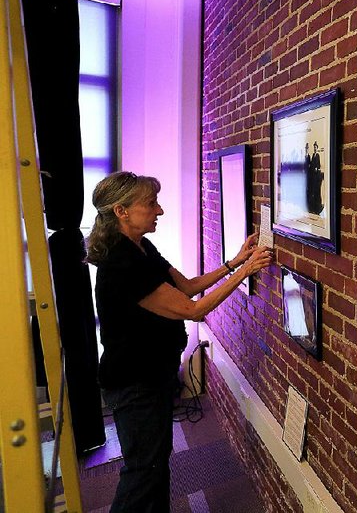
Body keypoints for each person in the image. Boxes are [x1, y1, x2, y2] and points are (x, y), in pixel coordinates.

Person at [86, 171, 273, 512]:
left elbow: (187, 286)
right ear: (121, 211)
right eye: (150, 204)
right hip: (134, 382)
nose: (159, 210)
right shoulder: (122, 263)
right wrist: (245, 273)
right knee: (143, 470)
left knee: (155, 463)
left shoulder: (140, 246)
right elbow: (194, 308)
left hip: (150, 375)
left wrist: (235, 262)